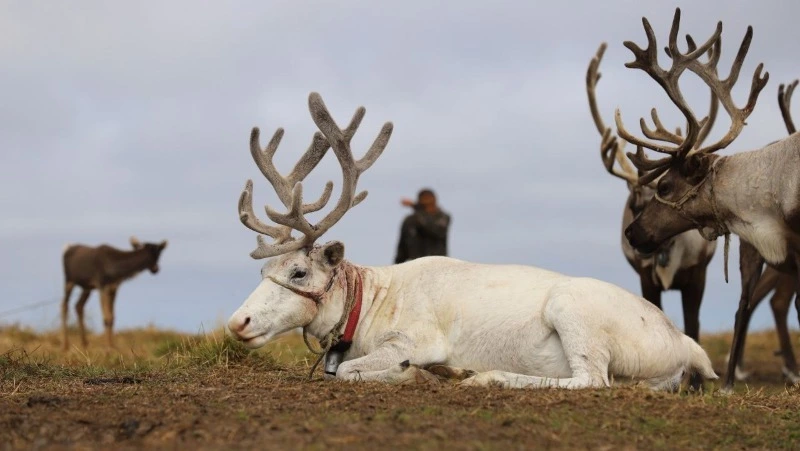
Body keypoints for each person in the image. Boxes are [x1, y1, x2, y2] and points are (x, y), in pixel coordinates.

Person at [394, 188, 451, 264]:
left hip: (438, 265)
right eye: (424, 202)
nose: (427, 205)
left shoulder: (443, 218)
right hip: (415, 265)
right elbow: (402, 246)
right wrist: (397, 266)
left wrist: (416, 207)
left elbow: (436, 231)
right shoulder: (410, 220)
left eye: (429, 202)